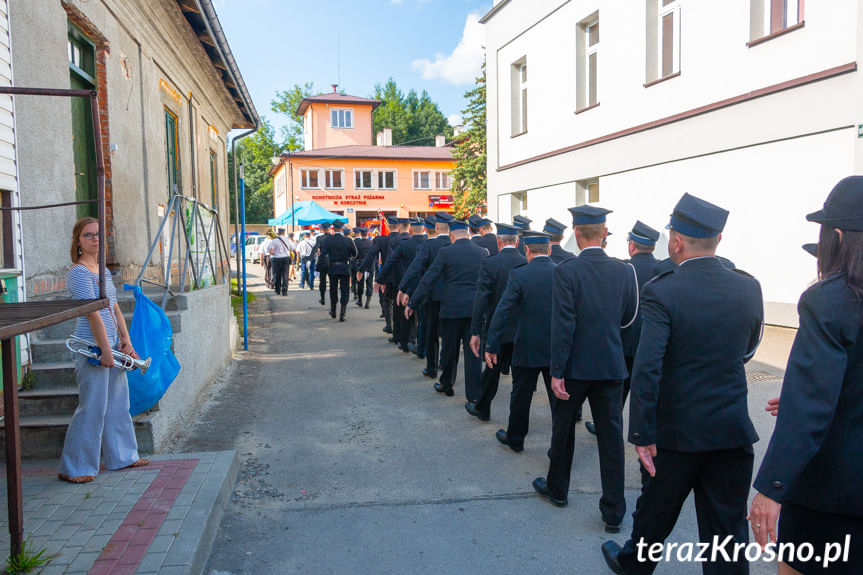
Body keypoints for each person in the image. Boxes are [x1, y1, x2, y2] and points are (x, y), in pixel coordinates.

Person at [602, 193, 763, 575]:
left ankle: (632, 566)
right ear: (718, 241)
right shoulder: (748, 287)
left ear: (675, 242)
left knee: (654, 518)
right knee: (727, 535)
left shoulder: (663, 290)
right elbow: (748, 349)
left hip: (675, 435)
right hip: (730, 432)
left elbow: (648, 366)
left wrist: (641, 431)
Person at [748, 176, 863, 575]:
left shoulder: (828, 300)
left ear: (836, 236)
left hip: (831, 493)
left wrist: (771, 489)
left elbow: (812, 408)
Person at [534, 205, 637, 537]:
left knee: (562, 430)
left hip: (575, 366)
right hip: (610, 364)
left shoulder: (566, 271)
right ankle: (614, 511)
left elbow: (564, 324)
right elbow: (628, 317)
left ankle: (558, 490)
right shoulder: (625, 271)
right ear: (604, 233)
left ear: (576, 233)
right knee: (611, 440)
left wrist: (557, 370)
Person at [58, 217, 149, 484]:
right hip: (92, 347)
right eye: (88, 235)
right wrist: (105, 350)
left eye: (98, 234)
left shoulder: (102, 271)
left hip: (110, 344)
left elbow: (114, 307)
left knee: (119, 405)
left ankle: (123, 457)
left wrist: (126, 340)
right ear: (78, 241)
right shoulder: (77, 272)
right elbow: (93, 314)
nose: (95, 239)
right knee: (92, 408)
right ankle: (74, 467)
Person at [485, 231, 557, 452]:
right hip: (556, 346)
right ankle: (559, 446)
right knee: (559, 400)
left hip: (527, 345)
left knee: (521, 395)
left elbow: (503, 311)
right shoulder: (562, 272)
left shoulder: (520, 275)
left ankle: (516, 438)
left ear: (526, 250)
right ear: (550, 250)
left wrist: (492, 345)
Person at [586, 220, 660, 436]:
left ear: (632, 245)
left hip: (625, 339)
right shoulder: (662, 268)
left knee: (617, 392)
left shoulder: (623, 268)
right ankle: (647, 433)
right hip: (653, 340)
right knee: (649, 391)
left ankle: (606, 427)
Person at [407, 219, 488, 401]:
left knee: (450, 349)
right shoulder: (482, 253)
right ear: (467, 234)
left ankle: (447, 384)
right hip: (474, 310)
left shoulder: (446, 252)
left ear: (451, 236)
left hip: (452, 309)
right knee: (474, 351)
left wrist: (413, 302)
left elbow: (429, 278)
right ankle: (474, 395)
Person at [466, 223, 526, 420]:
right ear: (517, 242)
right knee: (520, 378)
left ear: (499, 242)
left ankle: (483, 409)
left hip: (497, 328)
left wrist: (475, 330)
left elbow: (481, 298)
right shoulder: (526, 262)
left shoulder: (490, 263)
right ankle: (516, 420)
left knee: (491, 371)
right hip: (520, 329)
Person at [399, 213, 452, 378]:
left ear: (436, 227)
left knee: (432, 333)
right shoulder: (455, 243)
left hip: (432, 296)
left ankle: (432, 367)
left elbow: (416, 269)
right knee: (449, 335)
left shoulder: (429, 245)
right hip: (451, 297)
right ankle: (445, 365)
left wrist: (404, 288)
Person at [377, 218, 427, 352]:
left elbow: (390, 262)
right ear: (424, 229)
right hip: (424, 283)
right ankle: (417, 340)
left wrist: (380, 279)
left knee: (403, 313)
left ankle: (404, 341)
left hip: (404, 282)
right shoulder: (427, 243)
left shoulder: (404, 244)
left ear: (411, 229)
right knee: (421, 314)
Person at [322, 220, 358, 321]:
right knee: (344, 290)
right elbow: (355, 254)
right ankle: (342, 313)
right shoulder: (348, 240)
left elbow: (323, 254)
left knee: (333, 289)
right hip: (344, 268)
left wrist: (319, 267)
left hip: (332, 267)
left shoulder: (328, 240)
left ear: (333, 228)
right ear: (342, 228)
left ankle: (333, 311)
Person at [352, 227, 373, 308]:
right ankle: (368, 302)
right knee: (369, 283)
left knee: (360, 283)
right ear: (367, 233)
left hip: (360, 264)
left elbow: (355, 255)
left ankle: (360, 300)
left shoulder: (357, 243)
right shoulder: (371, 242)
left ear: (361, 234)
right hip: (370, 265)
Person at [313, 222, 333, 305]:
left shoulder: (319, 238)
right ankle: (333, 299)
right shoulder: (333, 238)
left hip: (323, 261)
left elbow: (315, 248)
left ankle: (323, 298)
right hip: (332, 261)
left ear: (322, 229)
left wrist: (309, 259)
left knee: (323, 281)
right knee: (333, 282)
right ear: (329, 229)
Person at [269, 228, 292, 296]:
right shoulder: (288, 240)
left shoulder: (274, 241)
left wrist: (276, 253)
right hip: (285, 259)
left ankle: (277, 290)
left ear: (278, 233)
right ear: (284, 233)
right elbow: (292, 248)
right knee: (285, 275)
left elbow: (271, 251)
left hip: (276, 259)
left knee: (276, 275)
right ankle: (284, 291)